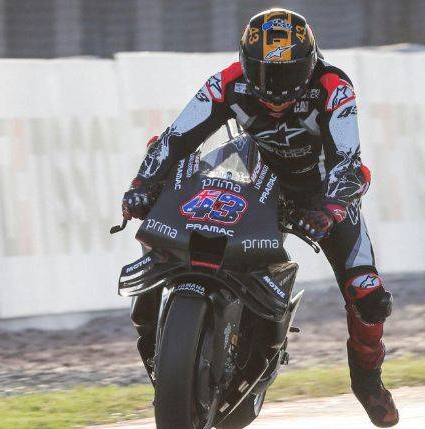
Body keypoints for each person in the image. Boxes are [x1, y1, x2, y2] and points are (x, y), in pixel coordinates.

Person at [121, 8, 399, 428]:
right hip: (254, 181)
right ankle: (161, 340)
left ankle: (367, 380)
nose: (275, 89)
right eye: (264, 74)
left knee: (368, 294)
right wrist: (142, 185)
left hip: (322, 196)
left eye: (287, 74)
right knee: (164, 224)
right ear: (245, 63)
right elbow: (175, 138)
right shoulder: (226, 82)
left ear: (310, 63)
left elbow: (348, 162)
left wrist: (329, 209)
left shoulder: (334, 88)